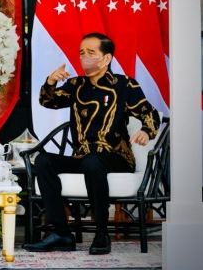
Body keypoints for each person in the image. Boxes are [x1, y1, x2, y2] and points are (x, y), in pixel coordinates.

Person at [23, 32, 160, 255]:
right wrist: (50, 81)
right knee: (44, 160)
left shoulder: (125, 85)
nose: (84, 57)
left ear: (106, 59)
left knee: (93, 161)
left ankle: (101, 234)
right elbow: (47, 102)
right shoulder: (76, 85)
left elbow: (150, 114)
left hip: (116, 157)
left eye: (91, 53)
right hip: (83, 157)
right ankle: (61, 234)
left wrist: (146, 131)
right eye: (81, 53)